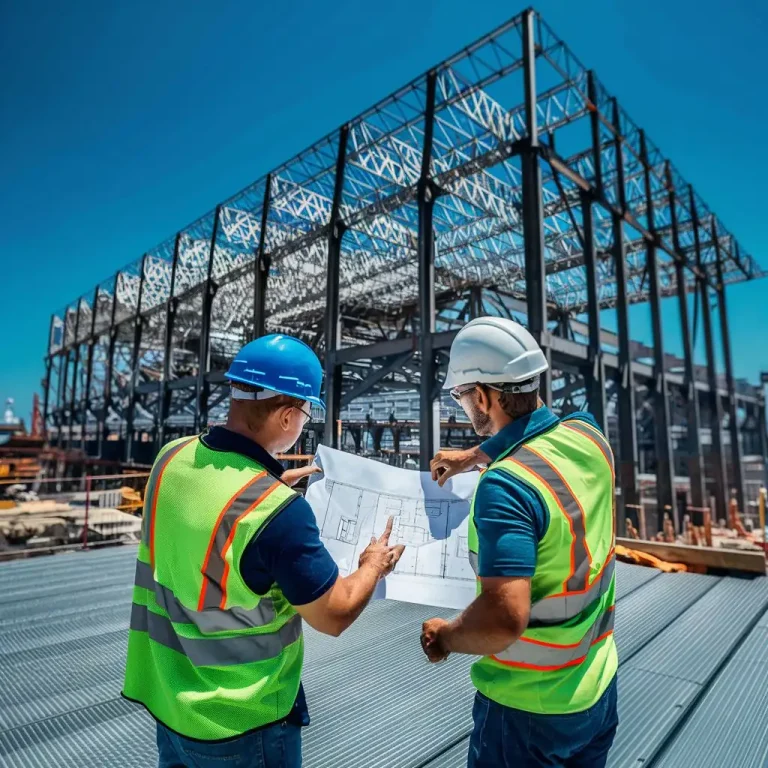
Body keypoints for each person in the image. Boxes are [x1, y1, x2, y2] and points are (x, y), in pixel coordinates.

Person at [123, 334, 405, 768]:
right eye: (306, 415)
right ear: (289, 415)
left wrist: (267, 489)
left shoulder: (169, 458)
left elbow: (205, 514)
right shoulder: (276, 514)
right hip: (242, 723)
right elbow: (333, 614)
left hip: (170, 704)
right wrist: (373, 565)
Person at [421, 317, 618, 768]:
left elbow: (503, 619)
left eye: (462, 396)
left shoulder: (506, 487)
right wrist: (474, 455)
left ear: (485, 396)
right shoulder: (590, 437)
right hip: (598, 684)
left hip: (528, 712)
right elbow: (544, 427)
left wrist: (445, 636)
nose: (462, 406)